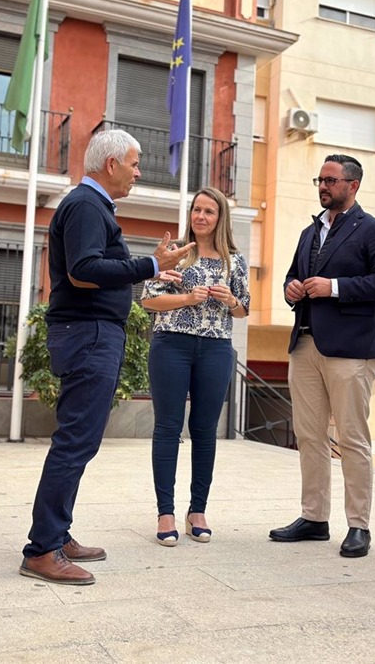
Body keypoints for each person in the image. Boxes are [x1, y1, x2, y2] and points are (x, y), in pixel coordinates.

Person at [19, 129, 194, 586]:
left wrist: (152, 266)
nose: (139, 172)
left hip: (93, 335)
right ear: (111, 163)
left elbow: (96, 266)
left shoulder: (91, 207)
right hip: (88, 335)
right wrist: (153, 266)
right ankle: (42, 550)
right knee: (76, 441)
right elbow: (83, 272)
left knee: (80, 440)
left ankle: (57, 534)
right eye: (134, 163)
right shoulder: (84, 205)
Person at [269, 154, 375, 558]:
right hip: (306, 343)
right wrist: (291, 288)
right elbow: (294, 274)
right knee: (309, 434)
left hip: (350, 349)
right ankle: (314, 517)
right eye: (320, 180)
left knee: (351, 437)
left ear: (353, 185)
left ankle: (359, 525)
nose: (323, 186)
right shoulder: (311, 231)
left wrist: (335, 287)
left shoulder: (374, 229)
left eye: (330, 180)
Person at [141, 187, 250, 546]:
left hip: (216, 348)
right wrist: (187, 298)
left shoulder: (234, 261)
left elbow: (243, 309)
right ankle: (166, 513)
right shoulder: (174, 256)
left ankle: (198, 511)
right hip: (172, 344)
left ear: (221, 219)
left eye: (209, 212)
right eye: (196, 210)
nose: (201, 216)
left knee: (205, 430)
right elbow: (149, 301)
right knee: (168, 428)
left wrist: (231, 299)